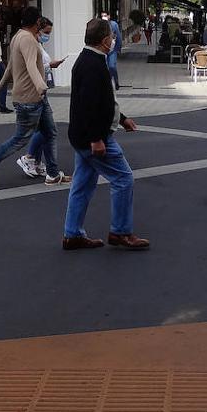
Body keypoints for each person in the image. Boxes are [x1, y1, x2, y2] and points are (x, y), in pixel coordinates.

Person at [62, 17, 148, 251]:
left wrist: (122, 118)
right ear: (104, 40)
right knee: (123, 179)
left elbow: (104, 101)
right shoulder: (93, 65)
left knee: (82, 184)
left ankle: (72, 234)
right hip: (94, 137)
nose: (114, 39)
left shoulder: (89, 59)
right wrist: (96, 139)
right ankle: (120, 232)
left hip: (83, 135)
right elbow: (89, 105)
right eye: (112, 35)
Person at [0, 6, 56, 190]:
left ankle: (52, 173)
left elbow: (11, 65)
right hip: (30, 97)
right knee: (20, 138)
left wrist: (1, 84)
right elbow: (30, 65)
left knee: (50, 132)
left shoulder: (18, 36)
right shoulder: (27, 39)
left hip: (36, 97)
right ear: (37, 22)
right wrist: (40, 85)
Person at [18, 17, 70, 184]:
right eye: (46, 32)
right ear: (37, 29)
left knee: (45, 129)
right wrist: (50, 66)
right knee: (45, 131)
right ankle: (30, 159)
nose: (48, 36)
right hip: (36, 91)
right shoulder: (31, 43)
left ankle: (36, 162)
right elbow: (31, 66)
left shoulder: (36, 43)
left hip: (39, 90)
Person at [100, 12, 124, 90]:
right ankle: (107, 83)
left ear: (109, 16)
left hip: (112, 50)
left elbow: (119, 37)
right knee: (104, 67)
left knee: (112, 66)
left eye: (105, 15)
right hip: (103, 50)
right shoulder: (100, 25)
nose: (104, 17)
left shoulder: (113, 25)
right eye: (102, 16)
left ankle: (116, 82)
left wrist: (118, 48)